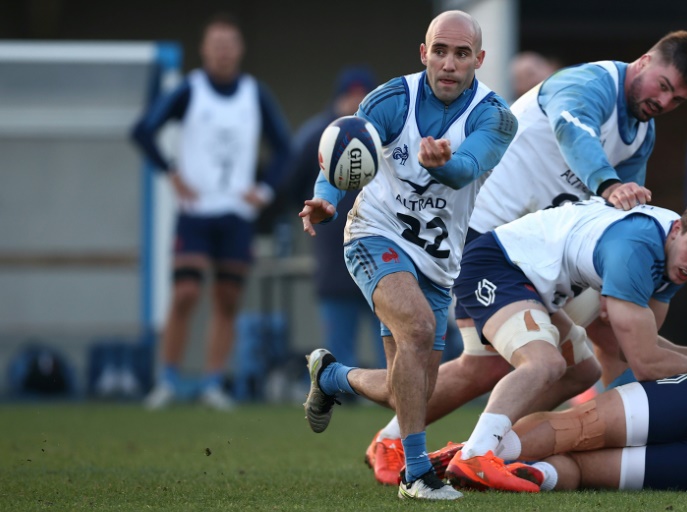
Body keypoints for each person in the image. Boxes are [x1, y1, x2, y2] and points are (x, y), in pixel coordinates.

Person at [366, 30, 687, 486]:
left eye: (678, 100)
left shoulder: (640, 133)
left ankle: (471, 446)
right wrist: (608, 185)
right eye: (664, 86)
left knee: (577, 368)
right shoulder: (587, 85)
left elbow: (626, 221)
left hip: (535, 255)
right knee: (503, 363)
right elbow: (576, 133)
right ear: (645, 61)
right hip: (479, 235)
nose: (665, 102)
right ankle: (418, 435)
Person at [299, 10, 517, 500]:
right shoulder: (393, 99)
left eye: (461, 54)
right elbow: (343, 148)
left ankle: (332, 377)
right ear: (424, 53)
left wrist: (444, 165)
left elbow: (465, 170)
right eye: (439, 50)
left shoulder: (496, 117)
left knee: (410, 391)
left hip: (438, 264)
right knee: (418, 329)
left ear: (478, 60)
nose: (448, 63)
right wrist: (326, 201)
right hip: (375, 236)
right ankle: (417, 475)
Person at [435, 197, 687, 489]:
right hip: (500, 264)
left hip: (544, 283)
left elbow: (629, 344)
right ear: (677, 228)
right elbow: (645, 363)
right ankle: (475, 454)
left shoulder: (671, 260)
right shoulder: (635, 249)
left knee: (583, 371)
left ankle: (485, 445)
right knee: (543, 364)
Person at [131, 13, 292, 410]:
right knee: (185, 292)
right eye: (215, 45)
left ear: (239, 50)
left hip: (236, 214)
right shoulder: (191, 90)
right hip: (196, 211)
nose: (222, 52)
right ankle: (167, 379)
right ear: (205, 49)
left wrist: (265, 189)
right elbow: (142, 130)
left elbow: (285, 148)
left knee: (227, 298)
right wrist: (171, 172)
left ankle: (212, 382)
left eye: (229, 45)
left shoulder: (254, 94)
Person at [433, 372, 687, 492]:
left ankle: (475, 452)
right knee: (581, 468)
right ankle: (534, 473)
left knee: (574, 427)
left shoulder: (628, 255)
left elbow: (646, 360)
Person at [282, 66, 386, 374]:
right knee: (340, 342)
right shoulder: (318, 135)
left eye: (361, 96)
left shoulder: (385, 134)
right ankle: (342, 394)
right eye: (349, 96)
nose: (354, 102)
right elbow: (289, 182)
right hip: (335, 253)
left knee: (390, 336)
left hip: (383, 251)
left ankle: (392, 394)